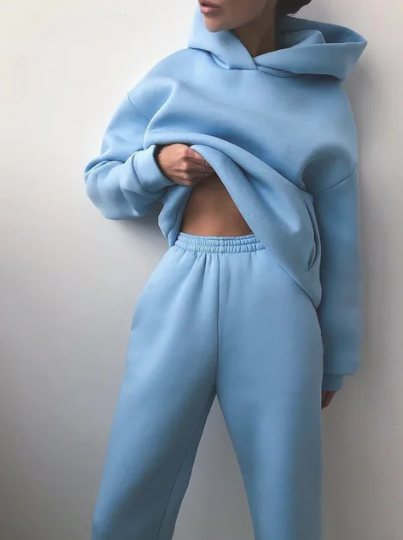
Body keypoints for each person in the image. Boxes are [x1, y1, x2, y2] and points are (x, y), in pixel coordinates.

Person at [83, 0, 366, 539]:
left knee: (287, 501)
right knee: (131, 486)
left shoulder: (322, 96)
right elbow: (103, 184)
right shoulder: (171, 77)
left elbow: (342, 233)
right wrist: (154, 165)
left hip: (278, 296)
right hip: (181, 285)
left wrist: (337, 359)